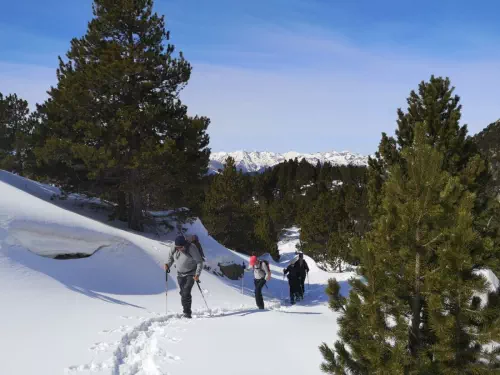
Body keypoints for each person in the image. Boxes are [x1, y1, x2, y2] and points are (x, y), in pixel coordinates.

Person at [164, 235, 204, 319]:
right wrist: (167, 265)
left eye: (180, 247)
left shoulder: (192, 248)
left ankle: (187, 313)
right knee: (183, 293)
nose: (178, 249)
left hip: (191, 273)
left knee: (186, 292)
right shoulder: (174, 246)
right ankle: (185, 309)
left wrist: (197, 274)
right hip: (180, 274)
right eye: (177, 247)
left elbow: (199, 262)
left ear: (184, 245)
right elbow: (170, 258)